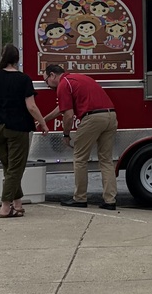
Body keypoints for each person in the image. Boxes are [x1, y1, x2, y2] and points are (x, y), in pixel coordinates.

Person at [0, 44, 49, 218]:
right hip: (18, 127)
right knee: (16, 168)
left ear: (2, 57)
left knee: (9, 167)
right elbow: (31, 106)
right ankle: (5, 206)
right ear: (17, 59)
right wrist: (43, 124)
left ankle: (17, 204)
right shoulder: (23, 79)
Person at [43, 65, 118, 209]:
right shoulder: (78, 78)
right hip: (111, 116)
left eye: (46, 81)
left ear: (52, 75)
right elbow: (62, 108)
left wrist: (66, 134)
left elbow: (68, 115)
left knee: (79, 158)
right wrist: (44, 119)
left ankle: (80, 198)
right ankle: (110, 200)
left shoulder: (63, 84)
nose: (47, 85)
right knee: (106, 160)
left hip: (93, 118)